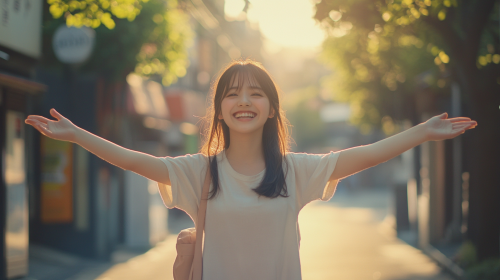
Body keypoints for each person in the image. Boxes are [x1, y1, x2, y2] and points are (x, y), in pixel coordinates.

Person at [25, 59, 477, 280]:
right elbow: (134, 160)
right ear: (219, 109)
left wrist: (422, 131)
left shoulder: (295, 172)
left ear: (272, 109)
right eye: (233, 94)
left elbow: (367, 154)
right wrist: (77, 135)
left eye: (256, 93)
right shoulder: (199, 172)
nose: (244, 101)